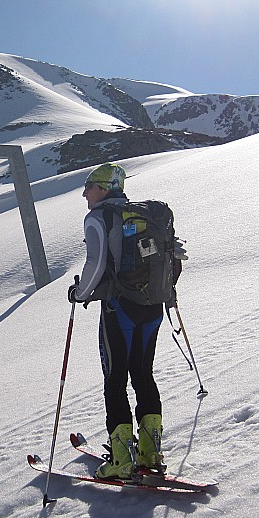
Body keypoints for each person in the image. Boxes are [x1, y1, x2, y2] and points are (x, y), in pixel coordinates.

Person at [67, 162, 165, 479]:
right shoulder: (143, 215)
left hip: (118, 308)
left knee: (115, 380)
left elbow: (95, 265)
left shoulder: (98, 217)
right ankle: (150, 453)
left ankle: (121, 460)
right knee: (143, 374)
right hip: (152, 305)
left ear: (105, 188)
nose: (84, 192)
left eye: (89, 185)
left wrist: (79, 293)